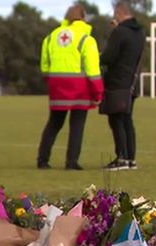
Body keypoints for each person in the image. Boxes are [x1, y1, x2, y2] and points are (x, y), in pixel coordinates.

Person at [37, 4, 104, 170]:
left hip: (57, 85)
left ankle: (42, 160)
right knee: (77, 125)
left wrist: (51, 80)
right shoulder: (86, 39)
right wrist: (98, 91)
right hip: (79, 87)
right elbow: (92, 69)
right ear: (83, 17)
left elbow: (45, 65)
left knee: (54, 123)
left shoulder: (51, 37)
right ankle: (71, 162)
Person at [100, 1, 145, 171]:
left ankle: (122, 158)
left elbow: (110, 56)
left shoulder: (119, 32)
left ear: (119, 12)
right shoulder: (140, 32)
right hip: (132, 83)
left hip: (117, 82)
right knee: (127, 119)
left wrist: (97, 57)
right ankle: (131, 158)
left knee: (116, 119)